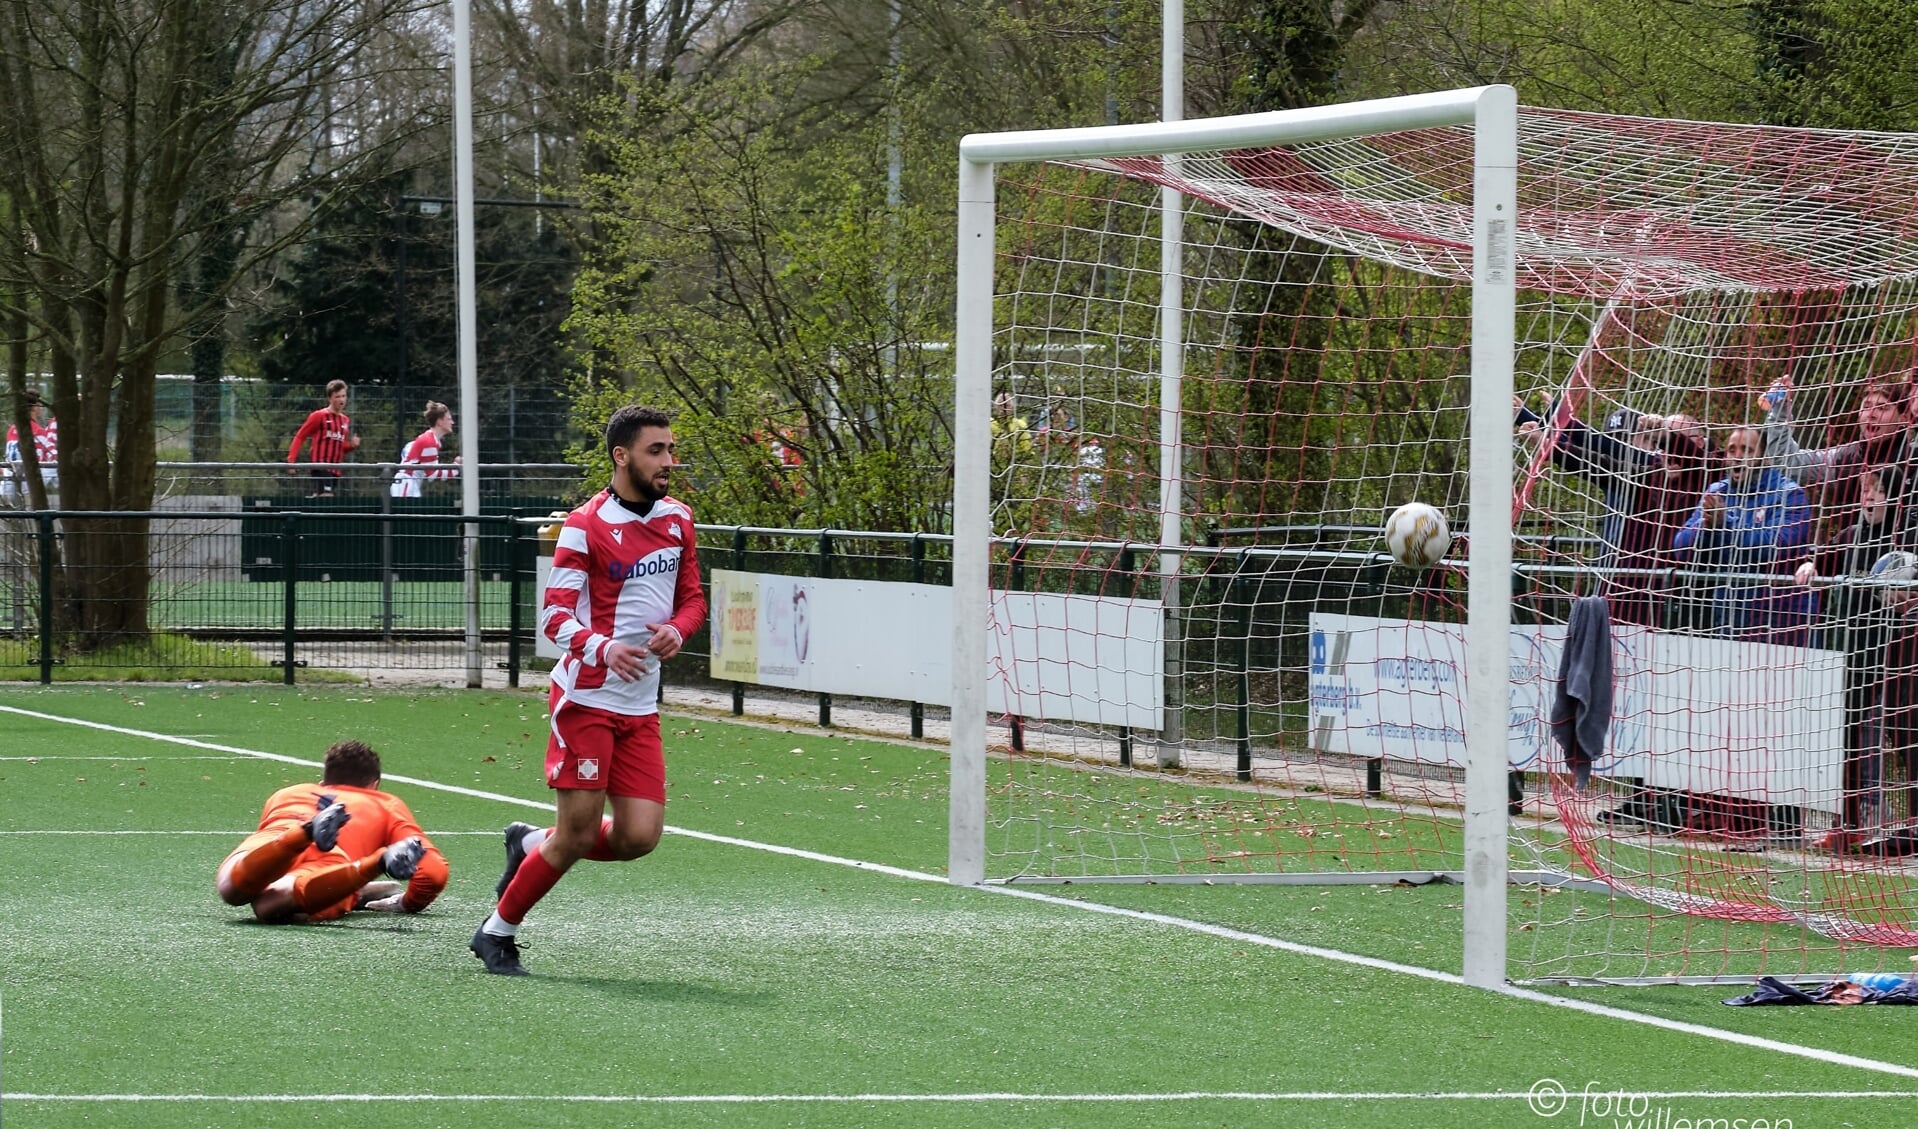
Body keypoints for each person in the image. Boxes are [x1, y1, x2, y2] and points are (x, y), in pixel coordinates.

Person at [471, 404, 708, 975]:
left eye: (671, 449)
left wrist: (679, 629)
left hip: (640, 706)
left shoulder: (679, 519)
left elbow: (695, 599)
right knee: (576, 835)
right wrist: (604, 648)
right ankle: (496, 932)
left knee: (639, 838)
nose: (668, 461)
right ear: (621, 456)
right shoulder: (585, 525)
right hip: (587, 701)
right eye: (656, 450)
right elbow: (553, 617)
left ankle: (529, 845)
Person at [1514, 399, 1714, 628]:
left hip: (1680, 607)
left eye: (1670, 441)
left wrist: (1556, 421)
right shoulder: (1649, 475)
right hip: (1626, 601)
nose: (1668, 451)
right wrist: (1548, 440)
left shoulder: (1709, 472)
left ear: (1700, 442)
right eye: (1662, 443)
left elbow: (1602, 445)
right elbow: (1595, 461)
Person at [1795, 466, 1910, 850]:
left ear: (1895, 498)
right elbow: (1820, 559)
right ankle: (1849, 823)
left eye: (1878, 490)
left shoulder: (1905, 539)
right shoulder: (1850, 537)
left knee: (1904, 737)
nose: (1870, 497)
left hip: (1901, 652)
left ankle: (1909, 822)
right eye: (1866, 489)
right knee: (1848, 738)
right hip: (1857, 650)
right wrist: (1810, 564)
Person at [215, 739, 447, 923]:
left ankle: (305, 833)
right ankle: (376, 864)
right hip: (330, 861)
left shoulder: (287, 793)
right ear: (374, 784)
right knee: (269, 906)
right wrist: (407, 903)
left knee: (231, 889)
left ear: (324, 781)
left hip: (277, 838)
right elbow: (432, 874)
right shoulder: (384, 803)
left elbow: (263, 878)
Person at [1673, 426, 1818, 645]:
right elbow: (1680, 547)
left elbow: (1777, 545)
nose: (1738, 457)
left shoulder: (1789, 493)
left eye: (1747, 450)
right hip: (1728, 616)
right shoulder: (1717, 492)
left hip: (1781, 619)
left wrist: (1726, 525)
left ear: (1764, 457)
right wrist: (1706, 528)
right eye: (1732, 450)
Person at [285, 379, 361, 497]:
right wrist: (291, 461)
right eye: (337, 397)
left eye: (343, 396)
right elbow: (300, 436)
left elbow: (340, 446)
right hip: (320, 466)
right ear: (330, 399)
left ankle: (309, 509)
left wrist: (352, 446)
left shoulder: (345, 420)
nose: (341, 400)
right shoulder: (319, 416)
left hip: (335, 469)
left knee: (321, 498)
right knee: (327, 496)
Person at [390, 400, 461, 498]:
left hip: (407, 485)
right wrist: (456, 467)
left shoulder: (428, 439)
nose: (452, 422)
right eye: (449, 419)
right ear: (440, 422)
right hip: (407, 486)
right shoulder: (429, 441)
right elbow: (433, 475)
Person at [4, 389, 59, 495]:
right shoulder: (37, 431)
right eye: (39, 405)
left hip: (11, 481)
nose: (40, 409)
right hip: (29, 482)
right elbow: (50, 456)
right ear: (34, 407)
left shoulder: (12, 430)